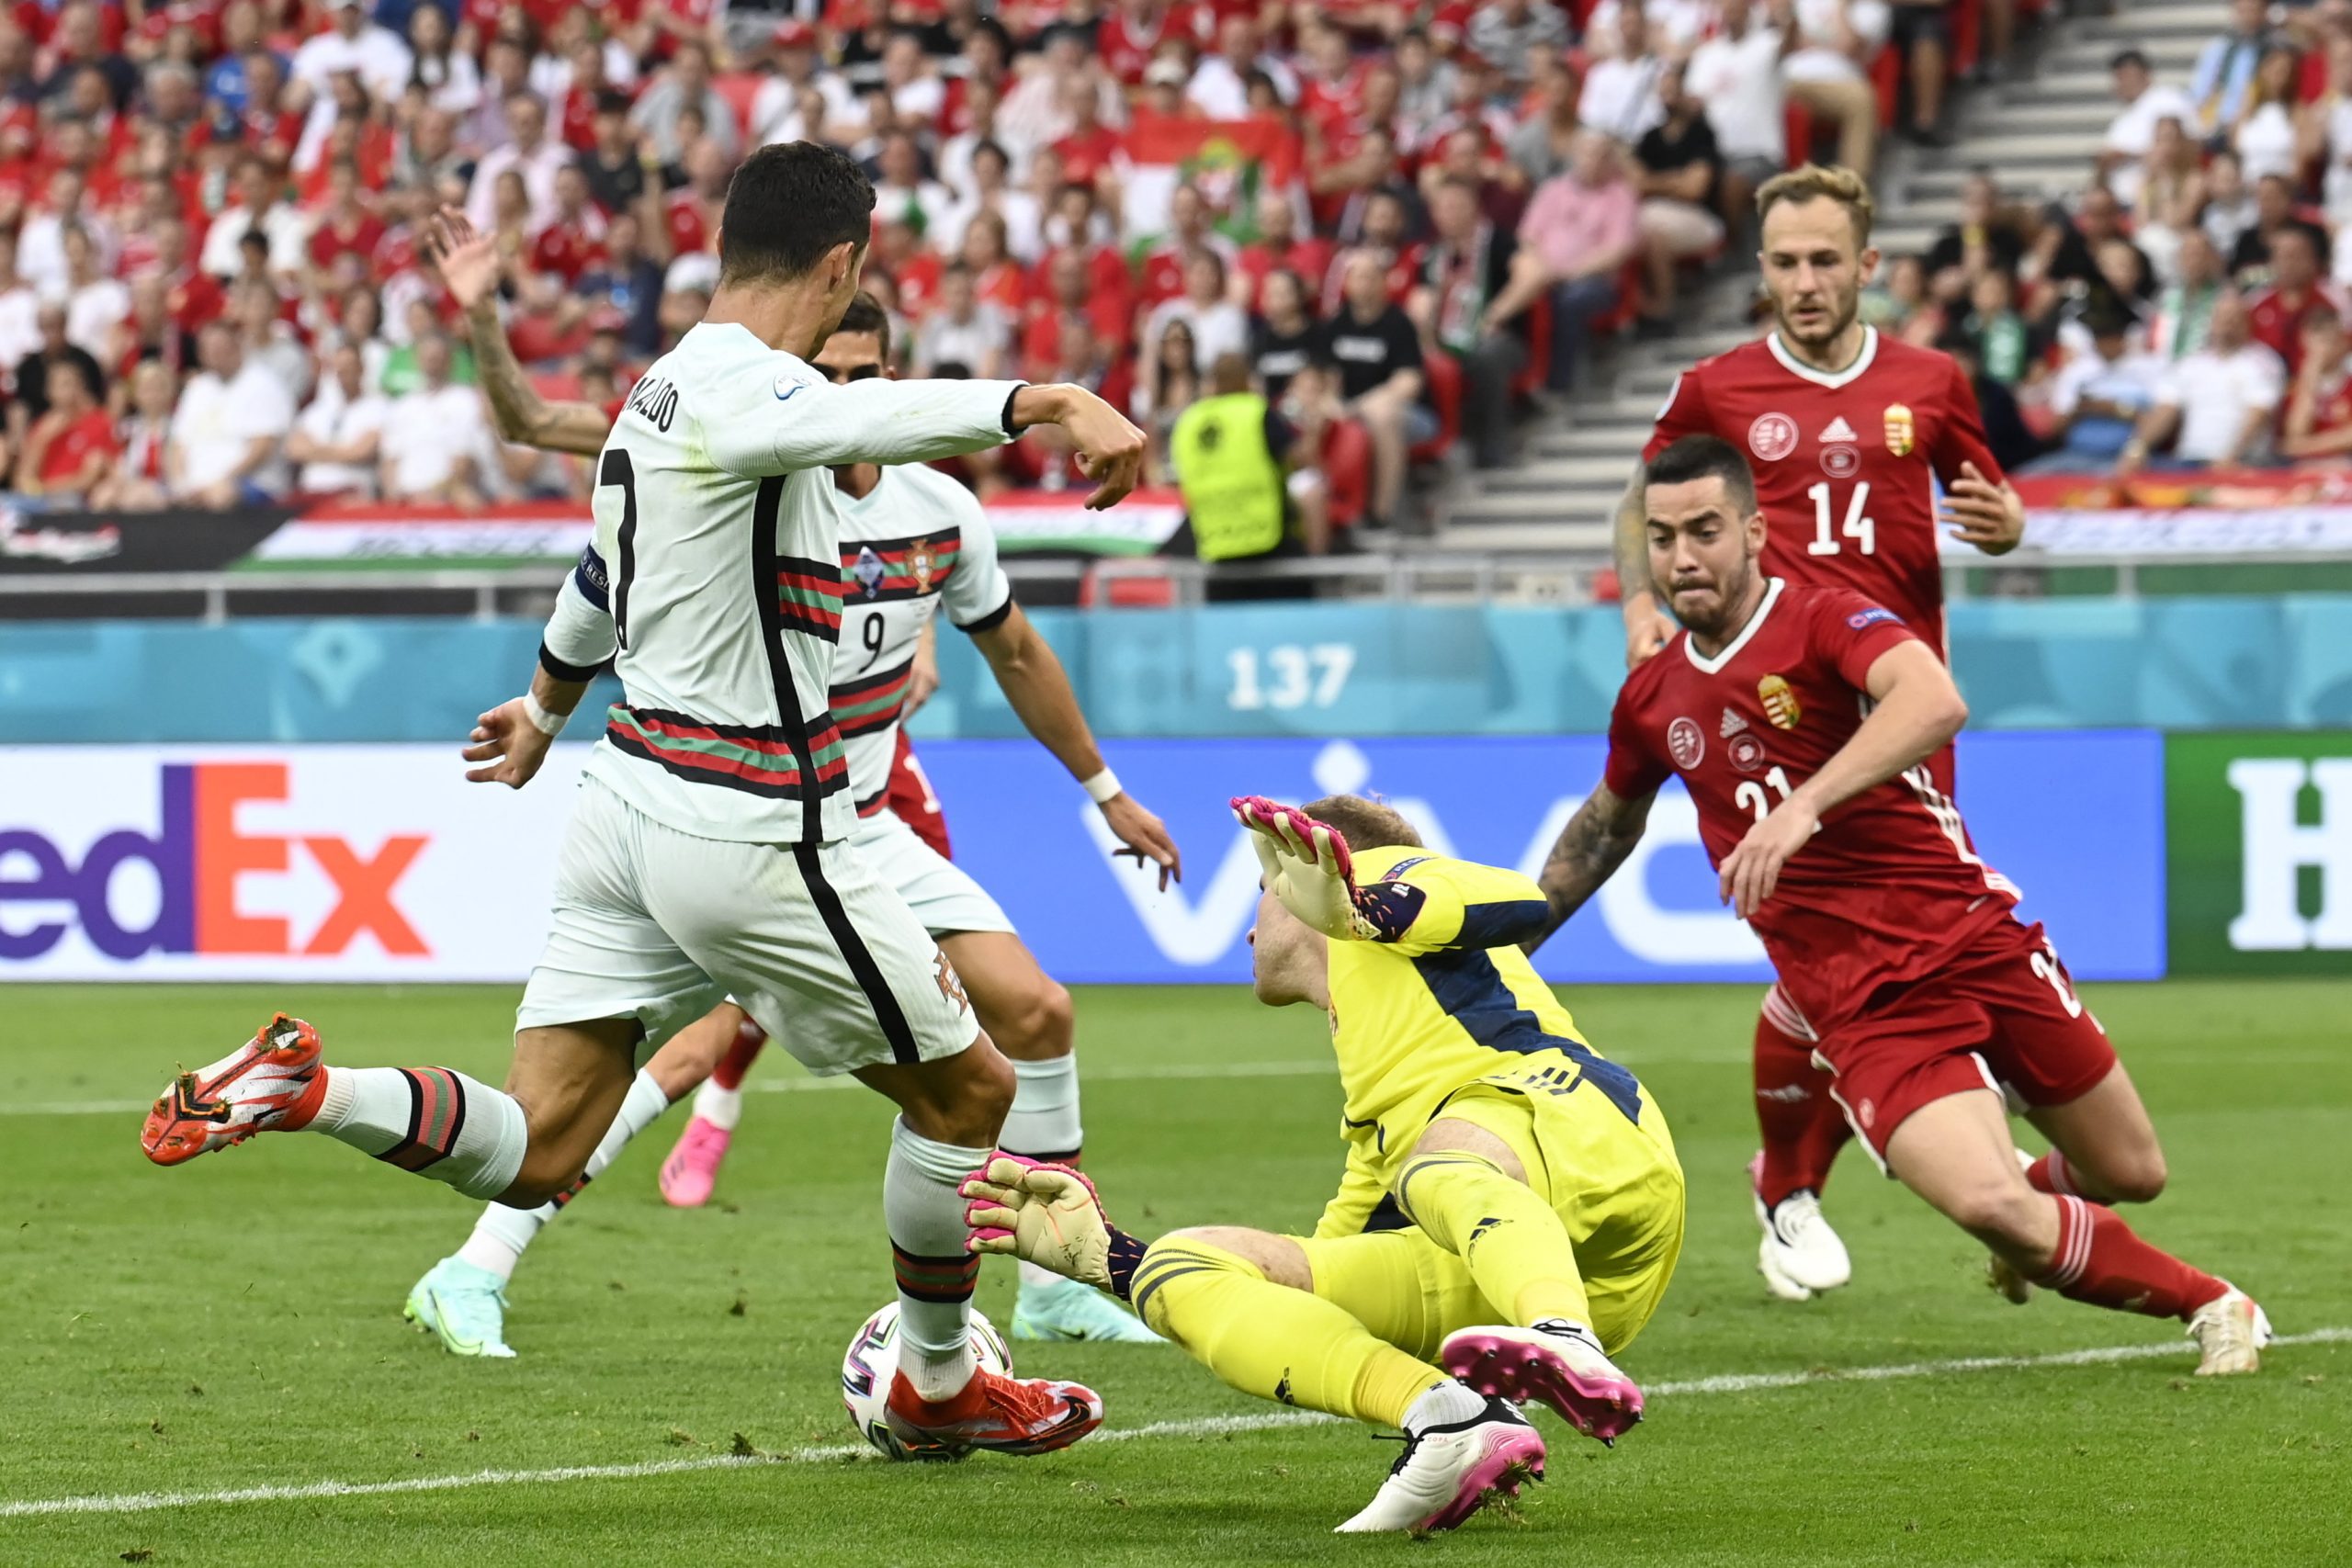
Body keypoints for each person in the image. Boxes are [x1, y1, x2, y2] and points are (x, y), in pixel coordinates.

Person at [138, 142, 1153, 1461]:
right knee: (971, 1095)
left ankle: (307, 1086)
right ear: (840, 266)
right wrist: (1051, 397)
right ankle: (937, 1377)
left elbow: (594, 580)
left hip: (623, 798)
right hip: (750, 820)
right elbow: (858, 424)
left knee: (540, 1144)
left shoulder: (662, 386)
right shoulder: (756, 389)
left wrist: (545, 705)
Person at [402, 288, 1175, 1356]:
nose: (843, 393)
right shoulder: (744, 461)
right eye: (832, 370)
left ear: (891, 380)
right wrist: (543, 710)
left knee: (1036, 1014)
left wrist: (1104, 793)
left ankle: (1044, 1289)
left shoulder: (938, 512)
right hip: (739, 819)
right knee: (672, 1060)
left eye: (866, 378)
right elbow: (581, 511)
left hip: (858, 821)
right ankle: (475, 1263)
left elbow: (1018, 653)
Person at [1533, 433, 2267, 1378]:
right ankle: (2212, 1304)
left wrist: (1803, 804)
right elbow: (1602, 830)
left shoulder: (1823, 617)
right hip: (1861, 1003)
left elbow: (1933, 700)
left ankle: (2031, 1227)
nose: (1683, 557)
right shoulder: (1652, 697)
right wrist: (1501, 932)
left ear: (1753, 532)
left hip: (1974, 934)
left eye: (1706, 531)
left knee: (2131, 1174)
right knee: (1989, 1203)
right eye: (1665, 536)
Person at [963, 792, 1681, 1533]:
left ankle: (1565, 1338)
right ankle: (1450, 1420)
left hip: (1593, 1138)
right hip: (1521, 1247)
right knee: (1191, 1266)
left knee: (1434, 1168)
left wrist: (1363, 899)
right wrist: (1110, 1258)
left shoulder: (1394, 890)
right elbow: (1320, 1298)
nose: (1248, 928)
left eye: (1260, 896)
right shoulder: (1378, 1095)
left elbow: (1521, 898)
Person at [1617, 164, 2028, 1303]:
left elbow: (1986, 505)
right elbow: (1641, 495)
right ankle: (1804, 1187)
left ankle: (1828, 1176)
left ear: (1866, 266)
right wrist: (1640, 604)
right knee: (1824, 953)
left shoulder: (1933, 380)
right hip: (1771, 712)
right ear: (1762, 272)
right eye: (1783, 263)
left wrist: (2007, 523)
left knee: (1900, 947)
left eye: (1822, 260)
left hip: (1895, 707)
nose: (1803, 281)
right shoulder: (1718, 387)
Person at [1170, 350, 1329, 587]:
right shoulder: (1256, 411)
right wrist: (1315, 430)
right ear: (1248, 380)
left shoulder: (1188, 421)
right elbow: (1300, 462)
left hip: (1213, 544)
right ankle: (1322, 578)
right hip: (1268, 540)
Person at [1317, 249, 1430, 528]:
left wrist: (1363, 405)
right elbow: (1326, 377)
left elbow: (1409, 382)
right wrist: (1330, 401)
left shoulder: (1399, 324)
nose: (1363, 283)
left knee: (1383, 415)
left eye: (1370, 277)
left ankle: (1382, 513)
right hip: (1348, 408)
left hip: (1407, 414)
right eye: (1357, 277)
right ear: (1347, 283)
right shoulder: (1335, 324)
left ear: (1383, 282)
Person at [2118, 292, 2284, 473]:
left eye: (2234, 318)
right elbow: (2165, 410)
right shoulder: (2191, 364)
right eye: (2221, 317)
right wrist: (2136, 449)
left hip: (2244, 460)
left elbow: (2259, 413)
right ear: (2211, 322)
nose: (2227, 324)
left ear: (2247, 323)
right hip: (2189, 460)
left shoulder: (2262, 362)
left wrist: (2232, 456)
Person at [166, 318, 295, 507]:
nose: (214, 354)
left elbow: (262, 448)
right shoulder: (197, 389)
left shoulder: (263, 384)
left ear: (236, 346)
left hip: (253, 482)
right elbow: (177, 445)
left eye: (220, 347)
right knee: (138, 497)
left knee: (221, 496)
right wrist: (179, 484)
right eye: (208, 349)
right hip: (196, 484)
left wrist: (221, 480)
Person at [287, 341, 390, 498]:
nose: (344, 374)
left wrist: (316, 452)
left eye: (349, 368)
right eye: (339, 369)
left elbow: (362, 452)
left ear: (361, 369)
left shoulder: (378, 407)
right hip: (311, 493)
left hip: (352, 493)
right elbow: (294, 449)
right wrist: (343, 451)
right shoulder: (318, 410)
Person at [15, 357, 116, 500]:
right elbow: (21, 480)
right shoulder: (42, 426)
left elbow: (87, 480)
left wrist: (41, 489)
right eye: (62, 385)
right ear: (49, 391)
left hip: (75, 500)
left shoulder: (99, 422)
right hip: (39, 499)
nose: (69, 391)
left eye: (72, 384)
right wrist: (42, 440)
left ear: (82, 388)